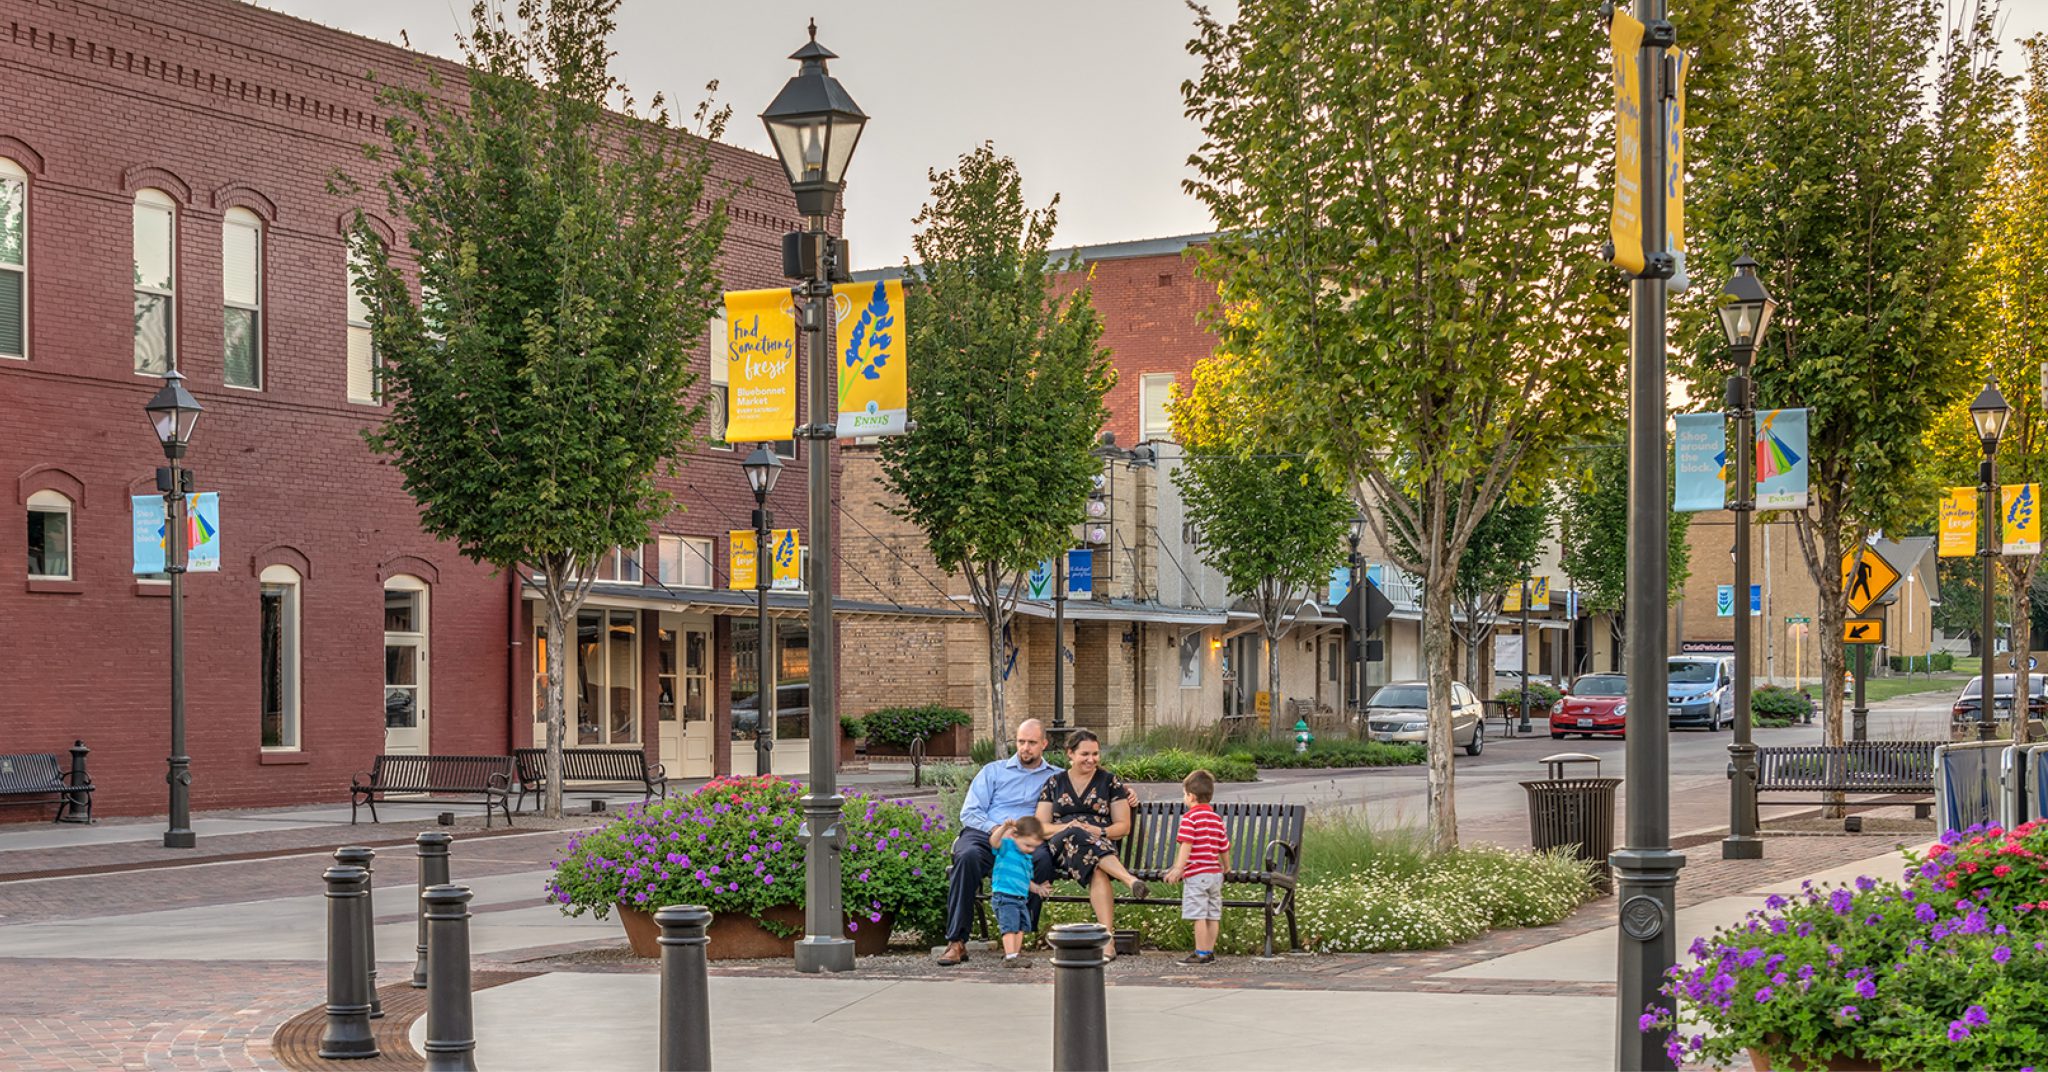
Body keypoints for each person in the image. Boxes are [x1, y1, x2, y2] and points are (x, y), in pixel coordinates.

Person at [938, 719, 1061, 966]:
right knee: (966, 857)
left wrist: (1126, 793)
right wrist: (997, 829)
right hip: (987, 833)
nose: (1025, 748)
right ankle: (956, 942)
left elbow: (1088, 787)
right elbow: (970, 812)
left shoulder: (1057, 777)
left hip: (1025, 840)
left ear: (1044, 744)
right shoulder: (994, 771)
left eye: (1032, 743)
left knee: (1043, 860)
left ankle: (1016, 940)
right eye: (1021, 742)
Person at [1035, 729, 1149, 955]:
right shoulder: (1054, 782)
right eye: (1085, 754)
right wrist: (1070, 826)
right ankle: (1128, 880)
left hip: (1100, 842)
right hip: (1062, 845)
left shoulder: (1110, 782)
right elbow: (1041, 826)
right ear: (1070, 753)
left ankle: (1107, 941)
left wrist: (1099, 830)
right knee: (1077, 834)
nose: (1091, 759)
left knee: (1096, 869)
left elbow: (1123, 826)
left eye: (1095, 754)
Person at [1162, 768, 1229, 965]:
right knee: (1212, 914)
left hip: (1197, 874)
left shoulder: (1190, 819)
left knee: (1199, 915)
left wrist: (1178, 868)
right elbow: (1224, 846)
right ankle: (1209, 951)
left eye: (1184, 794)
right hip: (1215, 874)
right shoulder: (1216, 819)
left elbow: (1187, 845)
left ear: (1191, 796)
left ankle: (1200, 952)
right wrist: (1227, 867)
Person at [987, 815, 1053, 967]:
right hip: (1005, 895)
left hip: (1020, 898)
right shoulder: (1007, 847)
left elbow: (1026, 881)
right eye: (1027, 845)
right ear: (1015, 835)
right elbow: (993, 841)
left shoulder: (1026, 858)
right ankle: (1010, 956)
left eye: (1033, 847)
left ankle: (1015, 955)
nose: (1030, 850)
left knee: (1020, 927)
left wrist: (1038, 888)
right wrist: (1004, 828)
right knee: (1010, 927)